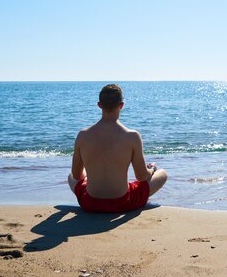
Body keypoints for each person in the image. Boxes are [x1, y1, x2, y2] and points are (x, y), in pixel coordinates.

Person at [68, 84, 168, 213]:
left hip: (89, 203)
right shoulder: (132, 136)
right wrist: (152, 170)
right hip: (123, 203)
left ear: (99, 105)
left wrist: (88, 176)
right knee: (163, 174)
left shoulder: (83, 135)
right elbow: (142, 176)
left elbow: (77, 176)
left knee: (71, 175)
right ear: (121, 105)